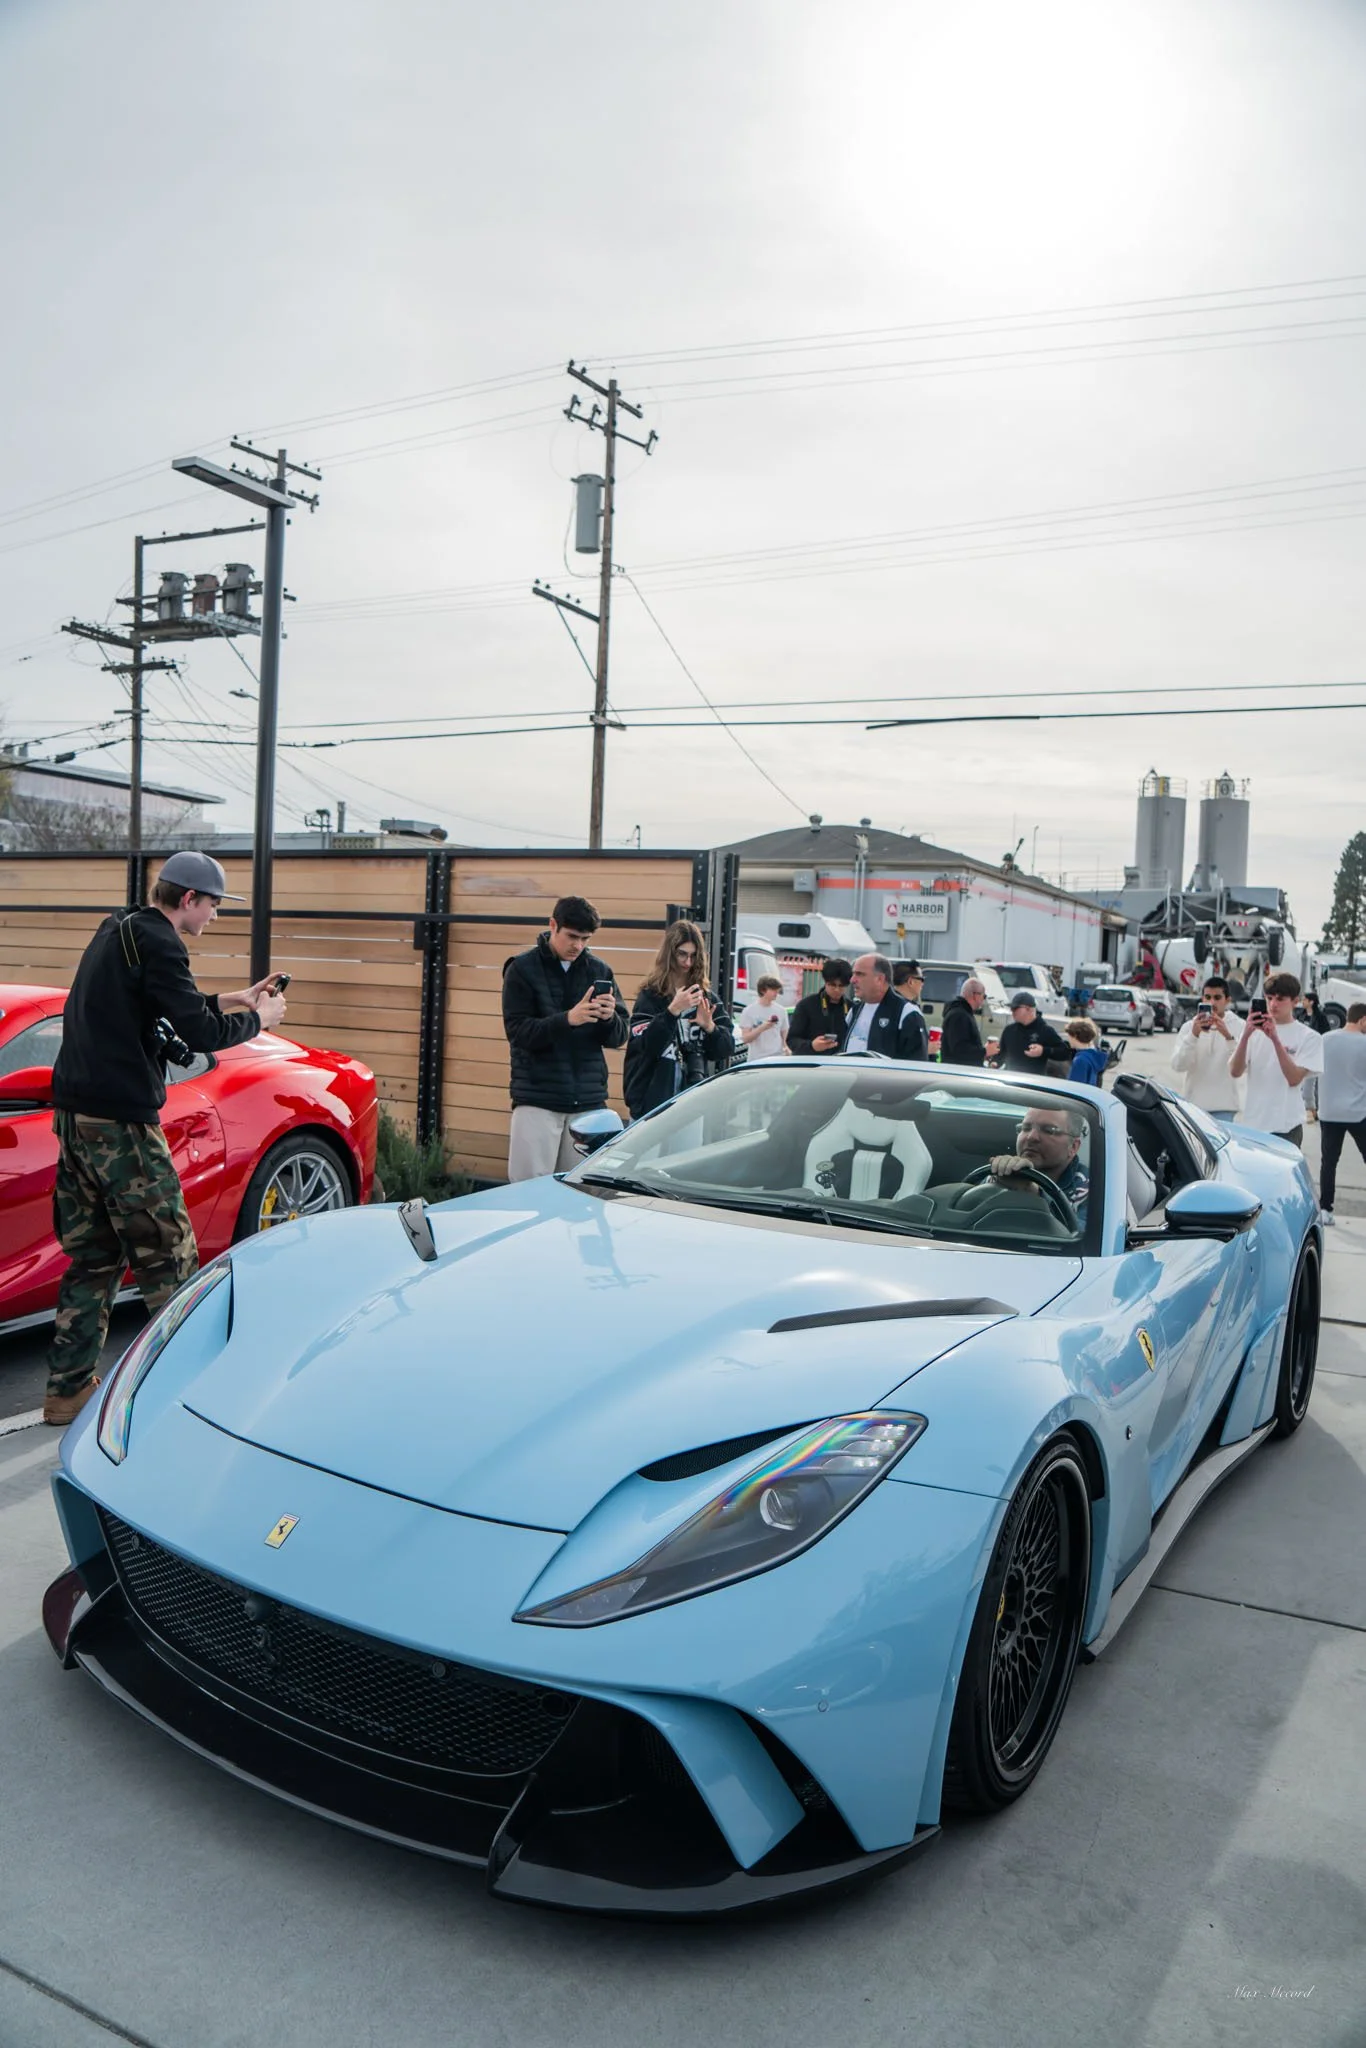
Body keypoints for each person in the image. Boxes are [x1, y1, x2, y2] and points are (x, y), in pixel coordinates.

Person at [44, 851, 288, 1427]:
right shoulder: (162, 942)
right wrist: (261, 1021)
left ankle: (67, 1391)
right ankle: (189, 1403)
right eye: (212, 906)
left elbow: (159, 1005)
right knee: (171, 1257)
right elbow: (199, 1034)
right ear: (188, 900)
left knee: (95, 1258)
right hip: (121, 1124)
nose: (214, 917)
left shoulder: (120, 929)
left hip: (75, 1118)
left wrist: (232, 999)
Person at [501, 894, 629, 1181]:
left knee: (577, 1197)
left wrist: (609, 1018)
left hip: (588, 1102)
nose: (578, 946)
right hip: (537, 1099)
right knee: (528, 1193)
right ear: (553, 925)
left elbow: (619, 1036)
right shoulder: (521, 969)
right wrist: (568, 1020)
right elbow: (518, 1033)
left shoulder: (600, 970)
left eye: (585, 938)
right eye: (572, 936)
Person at [624, 920, 735, 1118]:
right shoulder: (650, 997)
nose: (688, 962)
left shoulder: (706, 998)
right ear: (670, 954)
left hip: (691, 1105)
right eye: (682, 954)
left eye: (693, 956)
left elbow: (726, 1049)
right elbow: (647, 1046)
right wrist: (673, 1010)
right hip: (651, 1106)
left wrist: (709, 1026)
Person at [1228, 971, 1324, 1148]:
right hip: (1252, 1124)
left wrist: (1274, 1039)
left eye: (1280, 999)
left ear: (1295, 1001)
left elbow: (1294, 1079)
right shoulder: (1252, 1032)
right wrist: (1246, 1035)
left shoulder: (1309, 1037)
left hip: (1286, 1127)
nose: (1273, 1004)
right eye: (1269, 998)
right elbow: (1235, 1071)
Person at [985, 1105, 1090, 1226]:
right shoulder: (1001, 1174)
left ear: (1073, 1147)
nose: (1031, 1137)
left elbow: (1083, 1238)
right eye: (1026, 1128)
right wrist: (996, 1184)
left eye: (1049, 1130)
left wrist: (1033, 1195)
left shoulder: (1091, 1190)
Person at [1318, 1003, 1366, 1225]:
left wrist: (1310, 1102)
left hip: (1328, 1111)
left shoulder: (1325, 1039)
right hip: (1359, 1112)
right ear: (1363, 1020)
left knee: (1329, 1162)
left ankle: (1325, 1208)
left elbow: (1312, 1072)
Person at [1169, 975, 1240, 1121]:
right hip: (1193, 1108)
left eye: (1217, 997)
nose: (1211, 1002)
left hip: (1225, 1109)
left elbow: (1243, 1068)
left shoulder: (1239, 1026)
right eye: (1207, 997)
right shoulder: (1189, 1027)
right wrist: (1193, 1035)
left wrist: (1228, 1036)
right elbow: (1178, 1065)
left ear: (1227, 1000)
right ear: (1202, 999)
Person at [842, 953, 929, 1060]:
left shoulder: (906, 1012)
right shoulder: (854, 1011)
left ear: (880, 979)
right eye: (853, 974)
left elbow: (916, 1062)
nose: (852, 980)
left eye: (860, 974)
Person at [788, 958, 853, 1055]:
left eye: (841, 986)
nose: (837, 989)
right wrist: (812, 1046)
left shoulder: (852, 1008)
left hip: (841, 1065)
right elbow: (792, 1040)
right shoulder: (806, 1005)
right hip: (811, 1065)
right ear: (825, 982)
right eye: (832, 985)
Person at [996, 992, 1070, 1074]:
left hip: (1033, 1083)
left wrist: (1043, 1051)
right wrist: (995, 1063)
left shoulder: (1045, 1031)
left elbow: (1065, 1052)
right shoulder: (1009, 1030)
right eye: (1011, 1008)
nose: (1012, 1011)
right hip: (1011, 1081)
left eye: (1015, 1008)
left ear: (1029, 1009)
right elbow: (1001, 1054)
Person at [940, 977, 997, 1068]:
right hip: (959, 1073)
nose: (983, 1000)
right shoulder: (959, 1015)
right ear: (975, 995)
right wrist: (984, 1051)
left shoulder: (963, 1013)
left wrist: (983, 1053)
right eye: (984, 996)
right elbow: (959, 1050)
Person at [736, 975, 789, 1061]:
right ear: (762, 990)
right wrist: (761, 1028)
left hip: (778, 1057)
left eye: (777, 990)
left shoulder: (781, 1010)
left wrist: (786, 1049)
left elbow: (784, 1036)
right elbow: (745, 1039)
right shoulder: (749, 1011)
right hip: (757, 1059)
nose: (776, 993)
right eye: (773, 990)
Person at [1064, 1017, 1108, 1087]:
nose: (1068, 1039)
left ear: (1075, 1036)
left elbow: (1074, 1088)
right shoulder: (1093, 1056)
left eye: (1069, 1036)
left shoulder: (1080, 1060)